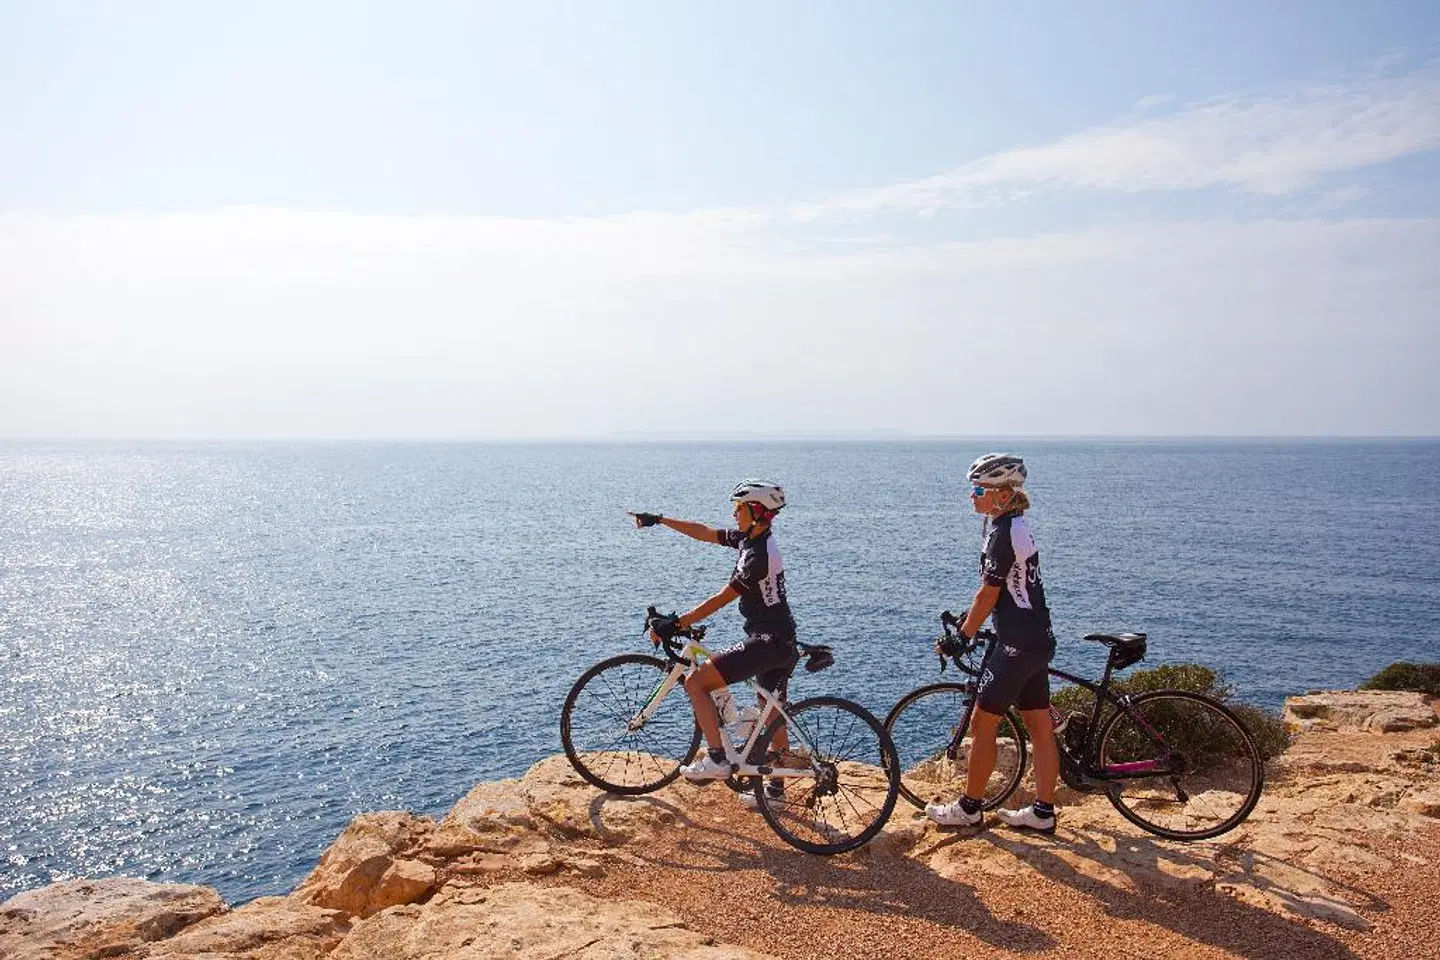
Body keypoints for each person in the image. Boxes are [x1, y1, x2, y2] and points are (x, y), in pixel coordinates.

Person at [631, 479, 799, 807]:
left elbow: (721, 599)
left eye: (739, 508)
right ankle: (776, 790)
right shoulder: (752, 539)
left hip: (767, 642)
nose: (734, 513)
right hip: (780, 640)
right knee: (770, 713)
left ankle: (718, 758)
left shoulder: (759, 555)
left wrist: (677, 623)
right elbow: (706, 532)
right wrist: (662, 520)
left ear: (756, 511)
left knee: (696, 682)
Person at [926, 453, 1060, 833]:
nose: (973, 495)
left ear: (1002, 495)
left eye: (979, 489)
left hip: (1017, 644)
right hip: (1038, 638)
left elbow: (988, 595)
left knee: (982, 724)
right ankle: (1043, 813)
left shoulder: (1003, 534)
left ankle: (969, 807)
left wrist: (962, 637)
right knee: (1039, 727)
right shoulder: (1018, 524)